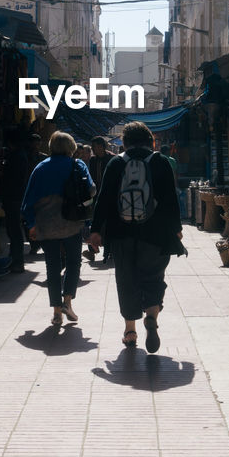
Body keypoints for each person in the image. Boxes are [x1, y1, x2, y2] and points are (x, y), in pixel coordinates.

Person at [89, 121, 184, 352]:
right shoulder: (160, 162)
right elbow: (171, 198)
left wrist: (95, 230)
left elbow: (104, 198)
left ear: (125, 142)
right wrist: (176, 228)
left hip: (121, 234)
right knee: (153, 276)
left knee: (126, 279)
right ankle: (151, 316)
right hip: (156, 234)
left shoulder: (115, 163)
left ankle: (130, 331)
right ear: (150, 140)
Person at [21, 131, 94, 327]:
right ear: (71, 148)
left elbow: (27, 201)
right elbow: (91, 189)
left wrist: (31, 225)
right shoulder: (77, 165)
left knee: (52, 267)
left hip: (47, 225)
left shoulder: (40, 167)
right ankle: (67, 301)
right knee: (73, 263)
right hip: (72, 222)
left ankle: (56, 312)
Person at [0, 130, 36, 273]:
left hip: (13, 197)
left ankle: (17, 261)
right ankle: (14, 258)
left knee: (14, 230)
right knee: (14, 229)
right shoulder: (20, 156)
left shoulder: (17, 157)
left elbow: (13, 179)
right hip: (15, 197)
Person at [84, 136, 116, 262]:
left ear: (102, 146)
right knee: (96, 223)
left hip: (110, 196)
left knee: (108, 225)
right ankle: (93, 250)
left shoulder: (112, 158)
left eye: (96, 146)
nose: (94, 149)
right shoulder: (92, 160)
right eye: (93, 147)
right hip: (96, 196)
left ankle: (110, 251)